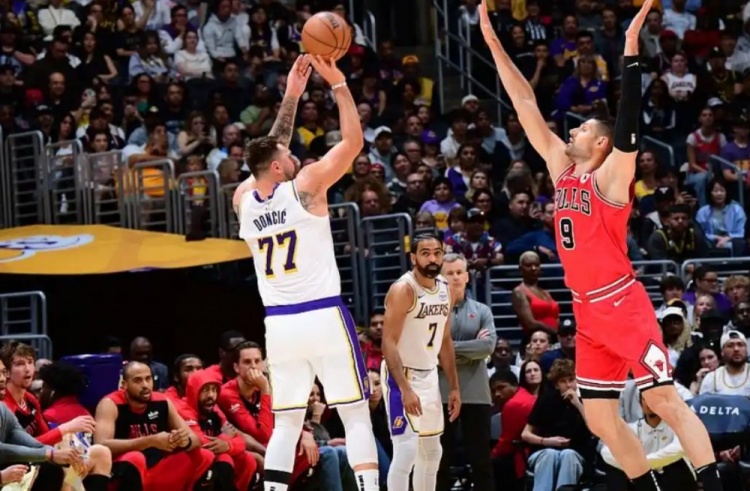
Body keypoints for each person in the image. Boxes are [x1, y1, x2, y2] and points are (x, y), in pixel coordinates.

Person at [478, 1, 723, 490]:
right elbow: (524, 102)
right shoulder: (561, 168)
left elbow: (628, 125)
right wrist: (493, 43)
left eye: (584, 129)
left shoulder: (611, 177)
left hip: (622, 304)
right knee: (599, 418)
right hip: (587, 313)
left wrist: (630, 50)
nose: (572, 130)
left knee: (663, 400)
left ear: (602, 144)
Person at [233, 54, 379, 491]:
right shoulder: (307, 186)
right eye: (288, 155)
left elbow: (266, 152)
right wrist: (338, 84)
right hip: (322, 315)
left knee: (286, 422)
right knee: (354, 413)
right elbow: (353, 142)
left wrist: (292, 95)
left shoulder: (243, 200)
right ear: (279, 167)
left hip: (280, 324)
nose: (294, 154)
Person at [380, 233, 461, 491]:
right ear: (413, 258)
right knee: (406, 450)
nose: (432, 258)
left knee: (432, 450)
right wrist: (405, 389)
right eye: (425, 253)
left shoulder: (446, 288)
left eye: (437, 253)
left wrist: (455, 387)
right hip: (402, 374)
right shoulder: (404, 290)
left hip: (429, 373)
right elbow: (388, 343)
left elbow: (445, 339)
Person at [93, 361, 215, 490]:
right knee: (135, 457)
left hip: (155, 467)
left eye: (148, 379)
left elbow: (195, 439)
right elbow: (101, 445)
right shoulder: (110, 404)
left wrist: (184, 441)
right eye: (138, 380)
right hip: (121, 470)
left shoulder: (162, 401)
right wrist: (150, 441)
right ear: (124, 385)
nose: (145, 385)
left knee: (204, 455)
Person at [436, 253, 496, 491]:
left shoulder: (482, 311)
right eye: (449, 273)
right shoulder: (431, 313)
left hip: (476, 395)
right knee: (439, 461)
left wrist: (447, 349)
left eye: (459, 272)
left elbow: (487, 346)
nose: (455, 277)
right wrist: (471, 350)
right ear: (440, 278)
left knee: (482, 462)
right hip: (440, 395)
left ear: (467, 276)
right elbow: (428, 351)